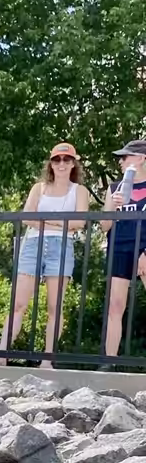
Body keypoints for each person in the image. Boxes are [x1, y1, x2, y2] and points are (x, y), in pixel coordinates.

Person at [0, 142, 90, 368]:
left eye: (66, 160)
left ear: (73, 163)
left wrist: (45, 220)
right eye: (57, 160)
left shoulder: (79, 191)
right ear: (51, 163)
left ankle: (48, 359)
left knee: (55, 307)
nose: (61, 164)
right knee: (18, 303)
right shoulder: (39, 187)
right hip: (33, 244)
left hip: (61, 246)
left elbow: (79, 222)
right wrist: (61, 222)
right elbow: (27, 217)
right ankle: (2, 354)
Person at [99, 139, 146, 365]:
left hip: (145, 248)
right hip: (119, 247)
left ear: (140, 158)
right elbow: (104, 227)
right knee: (115, 305)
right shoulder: (114, 187)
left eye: (125, 156)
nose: (120, 161)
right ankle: (109, 361)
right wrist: (113, 208)